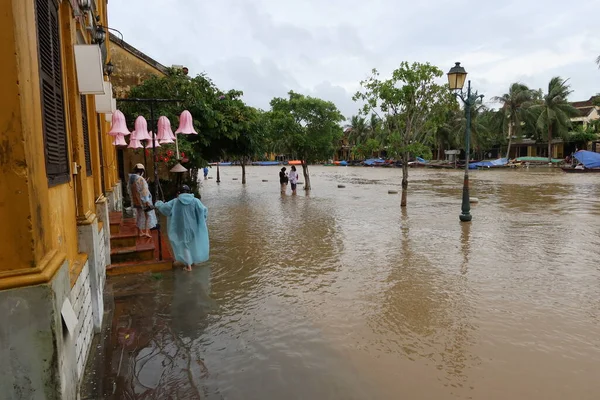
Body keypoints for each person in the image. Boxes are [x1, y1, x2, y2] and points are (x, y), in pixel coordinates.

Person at [155, 185, 209, 272]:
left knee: (184, 246)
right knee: (191, 244)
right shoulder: (196, 201)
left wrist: (158, 203)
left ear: (179, 192)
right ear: (189, 192)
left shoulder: (175, 201)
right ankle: (192, 262)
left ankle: (188, 267)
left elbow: (165, 209)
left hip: (180, 228)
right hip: (193, 228)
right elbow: (204, 211)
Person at [128, 163, 157, 238]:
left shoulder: (131, 179)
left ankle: (140, 232)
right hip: (143, 201)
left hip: (135, 200)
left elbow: (130, 190)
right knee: (147, 215)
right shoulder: (141, 179)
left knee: (139, 216)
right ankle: (147, 231)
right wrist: (146, 201)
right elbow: (144, 191)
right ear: (142, 171)